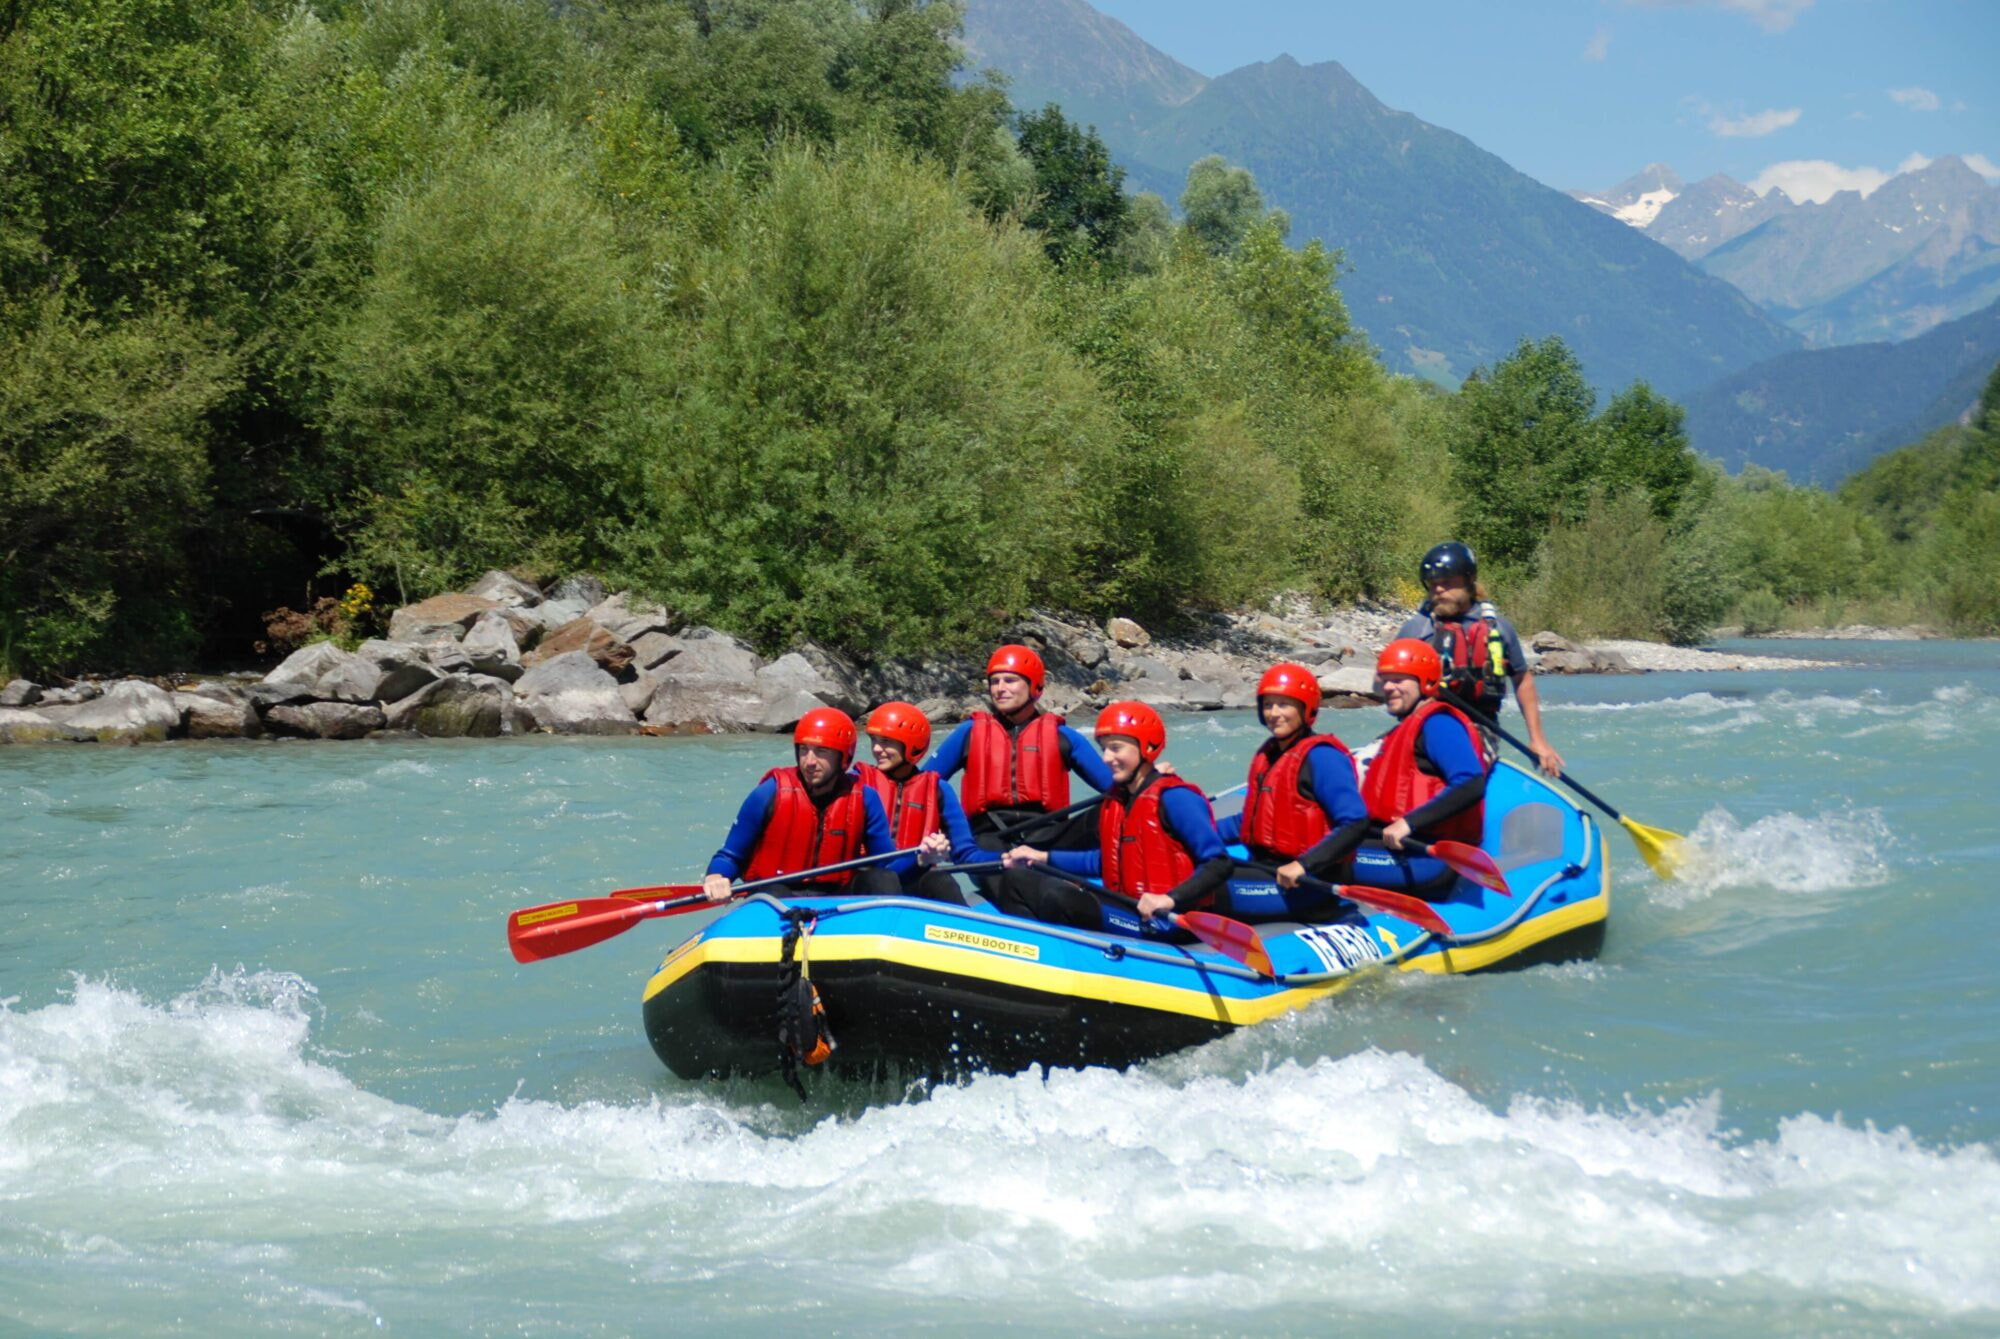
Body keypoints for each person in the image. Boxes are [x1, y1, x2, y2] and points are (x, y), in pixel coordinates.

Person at [999, 701, 1233, 933]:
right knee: (1016, 879)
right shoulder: (1119, 801)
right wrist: (1041, 857)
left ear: (1147, 748)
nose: (1106, 758)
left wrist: (1169, 899)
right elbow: (1106, 863)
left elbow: (1218, 863)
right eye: (1104, 749)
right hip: (1128, 908)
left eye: (1116, 748)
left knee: (1058, 897)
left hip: (1165, 919)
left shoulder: (1175, 798)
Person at [1285, 639, 1492, 896]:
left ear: (1426, 682)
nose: (1389, 687)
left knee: (1315, 860)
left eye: (1399, 680)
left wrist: (1409, 823)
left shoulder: (1439, 724)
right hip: (1394, 848)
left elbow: (1471, 782)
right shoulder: (1402, 730)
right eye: (1385, 680)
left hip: (1427, 858)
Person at [923, 643, 1112, 854]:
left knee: (1102, 813)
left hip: (1047, 835)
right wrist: (948, 828)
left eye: (1010, 680)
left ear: (1035, 686)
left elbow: (1118, 787)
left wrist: (1150, 779)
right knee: (1005, 865)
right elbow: (921, 787)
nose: (1000, 689)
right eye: (994, 682)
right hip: (986, 836)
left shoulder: (1062, 736)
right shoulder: (969, 733)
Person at [702, 707, 904, 901]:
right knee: (775, 892)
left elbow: (886, 863)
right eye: (804, 750)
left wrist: (923, 858)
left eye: (821, 751)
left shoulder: (865, 798)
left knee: (881, 879)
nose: (809, 761)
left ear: (843, 757)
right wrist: (716, 877)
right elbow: (731, 856)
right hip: (775, 896)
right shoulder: (769, 792)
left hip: (838, 897)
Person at [1399, 541, 1564, 777]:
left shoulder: (1499, 629)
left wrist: (1537, 740)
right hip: (1422, 727)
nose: (1438, 590)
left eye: (1447, 583)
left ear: (1468, 581)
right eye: (1433, 584)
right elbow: (1385, 684)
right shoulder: (1416, 629)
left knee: (1456, 762)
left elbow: (1522, 680)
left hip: (1478, 729)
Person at [853, 701, 981, 905]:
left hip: (911, 879)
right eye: (874, 740)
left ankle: (963, 931)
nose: (877, 749)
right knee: (882, 878)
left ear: (911, 746)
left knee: (940, 880)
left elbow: (966, 852)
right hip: (865, 881)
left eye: (886, 741)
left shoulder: (938, 789)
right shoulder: (856, 782)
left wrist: (1007, 859)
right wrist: (919, 858)